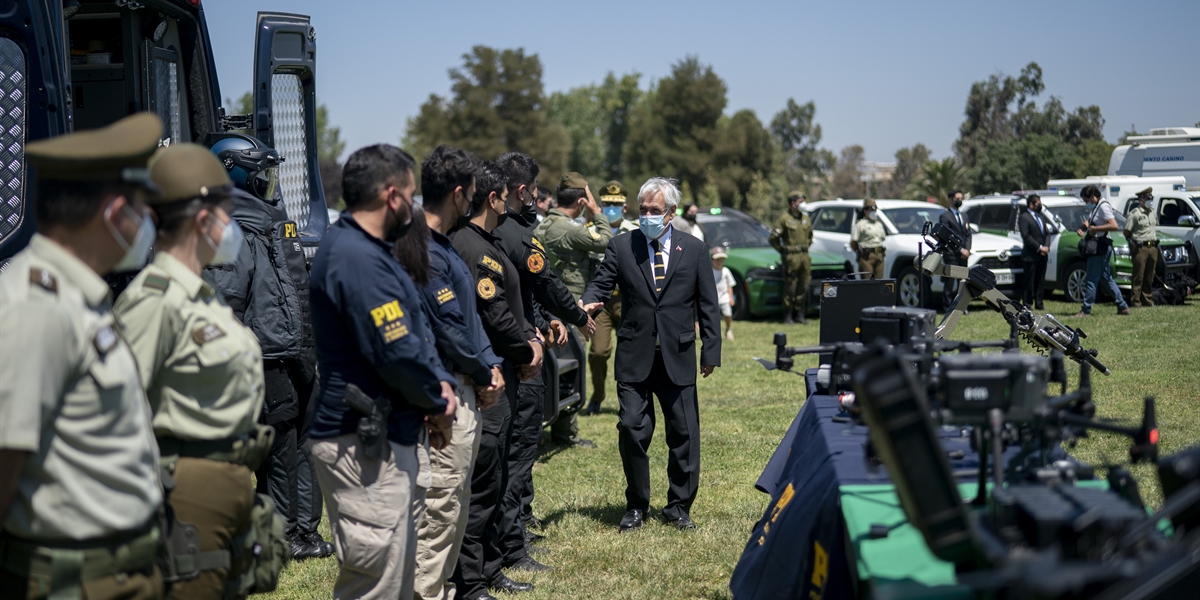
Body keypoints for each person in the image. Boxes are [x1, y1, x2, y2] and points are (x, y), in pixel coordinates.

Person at [0, 113, 165, 600]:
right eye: (142, 209)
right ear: (116, 214)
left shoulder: (79, 299)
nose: (149, 223)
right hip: (73, 582)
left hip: (117, 573)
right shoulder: (37, 309)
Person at [115, 143, 277, 599]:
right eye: (227, 213)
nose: (232, 225)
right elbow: (120, 410)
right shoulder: (154, 300)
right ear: (204, 220)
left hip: (224, 486)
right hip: (181, 498)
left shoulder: (202, 295)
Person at [307, 144, 457, 600]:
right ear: (391, 196)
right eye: (410, 196)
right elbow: (396, 352)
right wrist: (437, 400)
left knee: (395, 578)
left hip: (383, 433)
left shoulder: (365, 248)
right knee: (375, 587)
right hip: (362, 443)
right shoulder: (357, 258)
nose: (414, 207)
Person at [204, 133, 333, 561]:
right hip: (266, 357)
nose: (269, 184)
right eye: (262, 175)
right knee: (279, 447)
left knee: (299, 443)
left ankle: (301, 531)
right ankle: (283, 536)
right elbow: (227, 303)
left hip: (291, 351)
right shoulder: (233, 228)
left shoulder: (264, 220)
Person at [580, 177, 722, 533]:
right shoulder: (622, 246)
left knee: (684, 433)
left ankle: (678, 506)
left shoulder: (693, 249)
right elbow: (600, 282)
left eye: (654, 211)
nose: (647, 216)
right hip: (635, 353)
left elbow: (708, 303)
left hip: (678, 353)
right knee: (631, 428)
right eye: (643, 210)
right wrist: (586, 304)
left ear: (671, 214)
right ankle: (636, 505)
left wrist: (712, 350)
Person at [401, 146, 506, 600]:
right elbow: (447, 329)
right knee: (439, 509)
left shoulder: (442, 244)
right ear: (459, 194)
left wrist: (490, 367)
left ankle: (439, 590)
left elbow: (467, 319)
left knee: (453, 505)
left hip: (466, 386)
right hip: (447, 393)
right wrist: (484, 373)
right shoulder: (421, 247)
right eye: (472, 196)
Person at [492, 156, 595, 576]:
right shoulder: (516, 232)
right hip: (520, 359)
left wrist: (544, 318)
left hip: (505, 350)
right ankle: (513, 544)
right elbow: (545, 281)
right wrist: (575, 315)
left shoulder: (482, 231)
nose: (536, 198)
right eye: (533, 191)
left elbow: (523, 292)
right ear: (522, 191)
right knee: (518, 452)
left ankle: (512, 531)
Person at [450, 161, 541, 599]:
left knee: (496, 475)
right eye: (505, 196)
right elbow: (495, 315)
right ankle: (469, 580)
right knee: (482, 481)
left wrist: (530, 337)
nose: (509, 203)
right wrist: (528, 350)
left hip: (502, 370)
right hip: (489, 376)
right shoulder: (472, 247)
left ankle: (488, 568)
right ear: (493, 198)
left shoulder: (486, 242)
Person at [534, 173, 616, 440]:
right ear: (582, 200)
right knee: (570, 369)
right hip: (569, 305)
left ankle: (559, 426)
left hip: (547, 306)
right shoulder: (567, 228)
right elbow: (606, 240)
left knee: (554, 366)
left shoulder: (544, 224)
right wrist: (597, 211)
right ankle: (565, 431)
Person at [583, 180, 639, 416]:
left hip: (628, 301)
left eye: (616, 205)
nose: (611, 208)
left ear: (625, 207)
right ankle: (597, 396)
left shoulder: (637, 229)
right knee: (598, 352)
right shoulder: (589, 230)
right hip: (602, 304)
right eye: (606, 204)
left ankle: (630, 401)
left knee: (632, 353)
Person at [1074, 185, 1132, 317]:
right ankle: (1122, 306)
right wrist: (1083, 227)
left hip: (1099, 247)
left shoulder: (1103, 206)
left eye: (1087, 201)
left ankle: (1086, 309)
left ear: (1093, 197)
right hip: (1100, 247)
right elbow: (1091, 220)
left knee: (1091, 278)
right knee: (1106, 278)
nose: (1086, 204)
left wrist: (1096, 229)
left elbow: (1114, 225)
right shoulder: (1097, 207)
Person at [769, 191, 814, 324]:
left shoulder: (806, 218)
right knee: (791, 286)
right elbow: (773, 238)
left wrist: (805, 247)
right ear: (793, 203)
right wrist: (784, 251)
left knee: (804, 284)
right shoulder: (784, 218)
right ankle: (787, 316)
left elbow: (810, 236)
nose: (803, 204)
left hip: (804, 256)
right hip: (791, 257)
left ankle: (800, 315)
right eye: (800, 201)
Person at [1124, 187, 1159, 308]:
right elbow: (1127, 231)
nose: (1150, 201)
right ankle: (1136, 301)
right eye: (1148, 198)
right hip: (1140, 248)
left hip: (1153, 247)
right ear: (1141, 200)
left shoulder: (1153, 212)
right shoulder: (1135, 213)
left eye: (1151, 198)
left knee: (1149, 276)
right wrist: (1133, 243)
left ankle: (1147, 300)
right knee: (1138, 276)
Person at [938, 190, 972, 308]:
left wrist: (967, 249)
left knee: (963, 281)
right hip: (952, 253)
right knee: (950, 281)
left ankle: (962, 305)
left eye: (961, 198)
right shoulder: (945, 216)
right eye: (957, 198)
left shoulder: (964, 216)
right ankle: (947, 305)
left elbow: (968, 234)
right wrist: (960, 250)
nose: (960, 201)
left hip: (964, 254)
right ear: (951, 199)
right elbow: (947, 235)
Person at [1017, 194, 1052, 310]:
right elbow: (1026, 236)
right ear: (1031, 204)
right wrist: (1039, 248)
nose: (1040, 205)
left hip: (1042, 255)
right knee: (1029, 282)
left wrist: (1046, 246)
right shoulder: (1024, 217)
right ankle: (1027, 304)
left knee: (1040, 281)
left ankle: (1039, 303)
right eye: (1038, 203)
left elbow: (1047, 233)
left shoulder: (1041, 217)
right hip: (1030, 255)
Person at [850, 198, 886, 280]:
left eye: (874, 209)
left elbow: (883, 238)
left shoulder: (878, 224)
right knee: (868, 281)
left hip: (879, 255)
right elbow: (853, 242)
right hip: (866, 257)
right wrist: (860, 253)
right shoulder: (860, 224)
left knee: (879, 281)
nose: (873, 211)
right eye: (871, 209)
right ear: (865, 211)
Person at [711, 247, 737, 340]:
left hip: (724, 297)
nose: (719, 262)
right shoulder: (710, 271)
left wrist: (731, 297)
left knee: (728, 314)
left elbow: (730, 285)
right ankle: (714, 332)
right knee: (713, 316)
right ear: (712, 260)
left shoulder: (725, 271)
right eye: (717, 260)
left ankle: (728, 329)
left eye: (721, 260)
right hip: (713, 298)